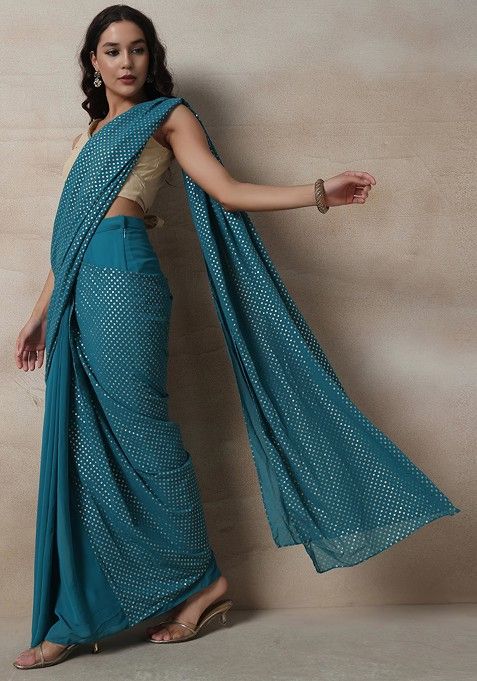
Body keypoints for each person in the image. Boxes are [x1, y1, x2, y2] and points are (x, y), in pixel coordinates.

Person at [12, 4, 459, 671]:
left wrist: (319, 191)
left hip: (127, 280)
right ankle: (86, 607)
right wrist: (37, 313)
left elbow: (225, 190)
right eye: (112, 50)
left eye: (137, 48)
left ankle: (202, 583)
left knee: (143, 436)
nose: (126, 61)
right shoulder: (92, 132)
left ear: (151, 57)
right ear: (93, 63)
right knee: (86, 444)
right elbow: (67, 235)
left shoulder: (166, 117)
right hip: (79, 289)